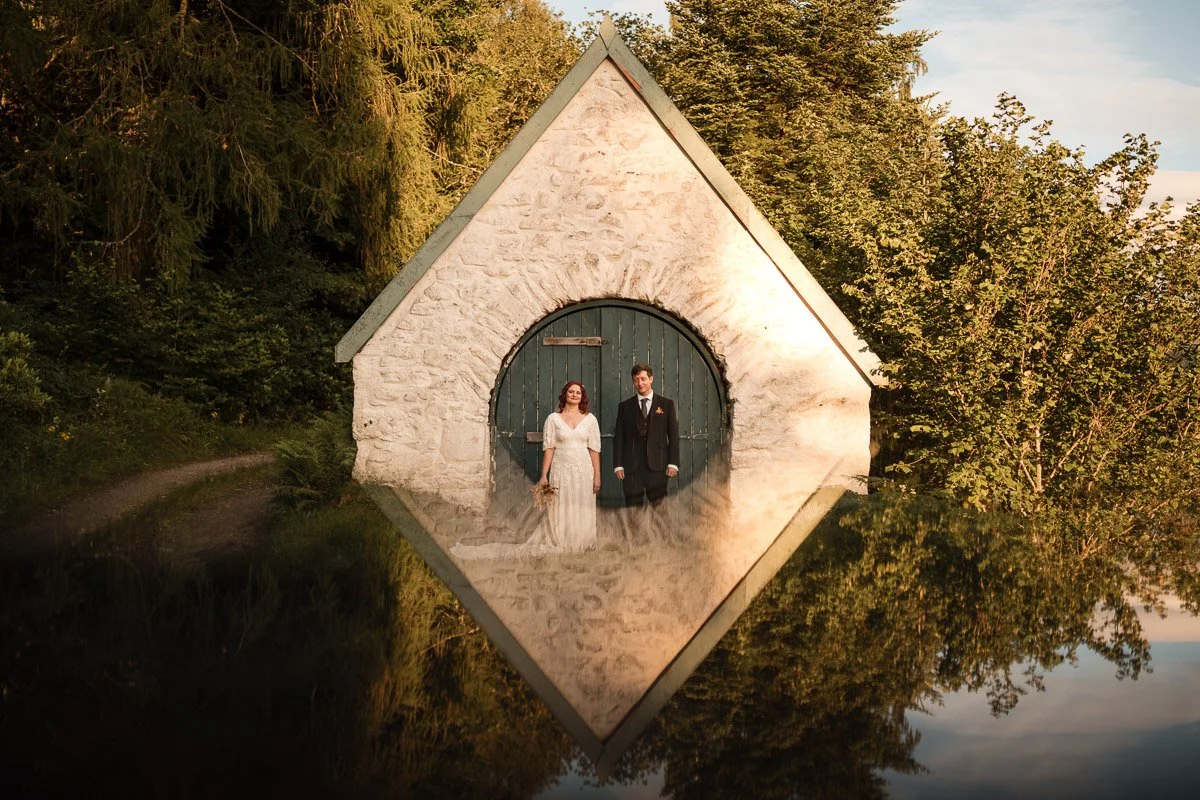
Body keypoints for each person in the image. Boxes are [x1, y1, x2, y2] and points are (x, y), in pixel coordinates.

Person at [538, 380, 601, 553]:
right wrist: (544, 475)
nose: (574, 395)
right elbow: (549, 448)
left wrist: (597, 475)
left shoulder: (590, 419)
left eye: (578, 392)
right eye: (571, 392)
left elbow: (594, 449)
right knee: (561, 504)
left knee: (582, 504)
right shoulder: (553, 419)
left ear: (582, 397)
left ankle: (583, 543)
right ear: (565, 394)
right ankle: (561, 542)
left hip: (583, 470)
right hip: (561, 469)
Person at [613, 363, 679, 507]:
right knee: (632, 511)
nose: (640, 383)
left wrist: (673, 462)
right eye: (636, 380)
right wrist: (618, 465)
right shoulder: (624, 406)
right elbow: (619, 437)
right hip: (631, 468)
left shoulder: (666, 404)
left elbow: (673, 435)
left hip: (658, 466)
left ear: (651, 379)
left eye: (643, 379)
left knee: (660, 511)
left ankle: (661, 531)